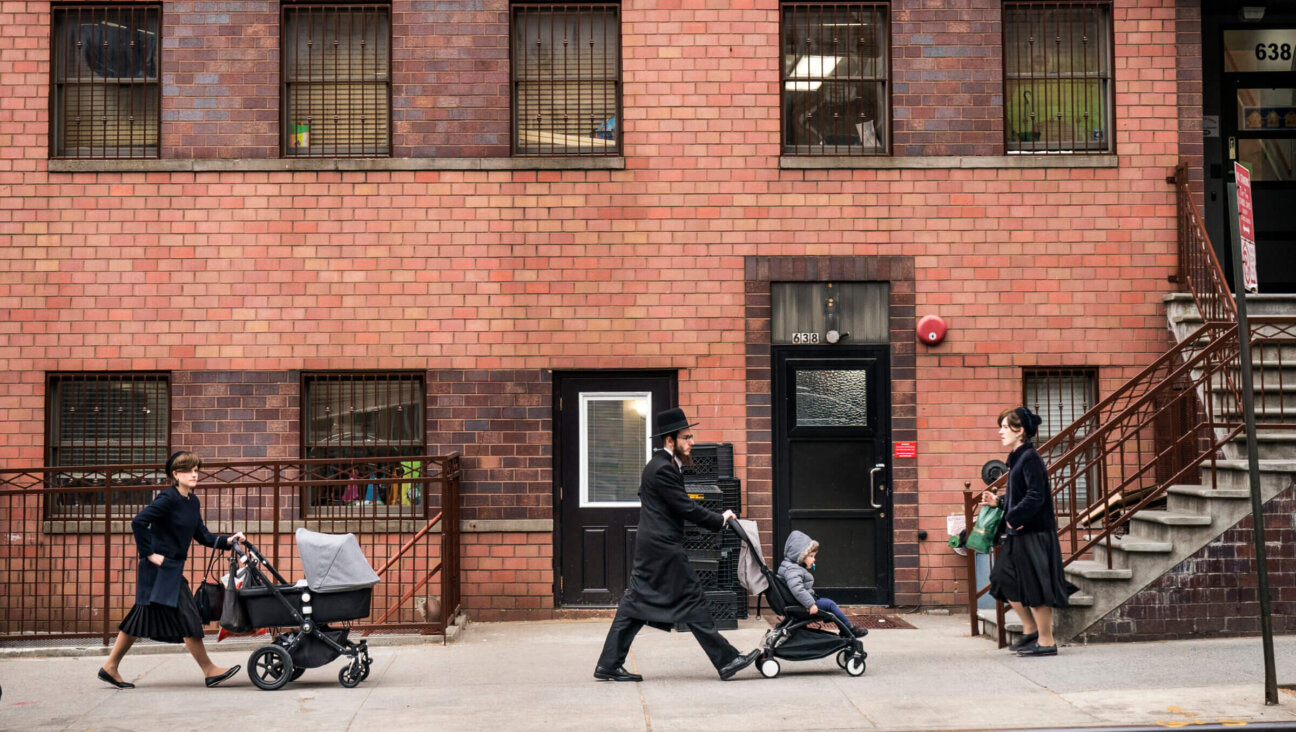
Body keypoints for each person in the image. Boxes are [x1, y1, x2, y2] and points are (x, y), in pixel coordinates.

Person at [594, 407, 762, 682]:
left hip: (656, 548)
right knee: (690, 599)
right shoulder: (662, 469)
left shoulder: (662, 466)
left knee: (635, 604)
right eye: (686, 437)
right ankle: (727, 659)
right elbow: (686, 508)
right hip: (663, 550)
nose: (692, 442)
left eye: (691, 436)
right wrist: (720, 519)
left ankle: (609, 664)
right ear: (670, 441)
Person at [98, 450, 246, 688]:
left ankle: (110, 666)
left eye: (197, 470)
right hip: (159, 570)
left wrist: (228, 540)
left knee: (140, 616)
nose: (194, 474)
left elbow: (203, 536)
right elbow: (138, 522)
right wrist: (148, 553)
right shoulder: (167, 499)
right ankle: (209, 669)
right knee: (188, 615)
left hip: (172, 569)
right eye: (189, 470)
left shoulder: (192, 501)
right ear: (175, 474)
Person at [980, 406, 1078, 657]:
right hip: (1019, 533)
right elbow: (1023, 495)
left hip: (1034, 533)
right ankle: (1031, 629)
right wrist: (1000, 502)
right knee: (1003, 579)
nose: (1000, 432)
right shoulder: (1019, 458)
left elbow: (1036, 496)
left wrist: (1012, 517)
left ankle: (1046, 642)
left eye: (1004, 427)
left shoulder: (1031, 458)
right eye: (1000, 427)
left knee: (1037, 587)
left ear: (1019, 430)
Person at [777, 530, 868, 638]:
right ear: (799, 555)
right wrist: (810, 604)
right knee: (830, 604)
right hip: (802, 606)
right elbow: (797, 589)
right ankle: (849, 630)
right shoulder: (793, 570)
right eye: (811, 556)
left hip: (799, 604)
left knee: (828, 604)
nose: (813, 559)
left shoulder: (790, 566)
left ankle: (846, 629)